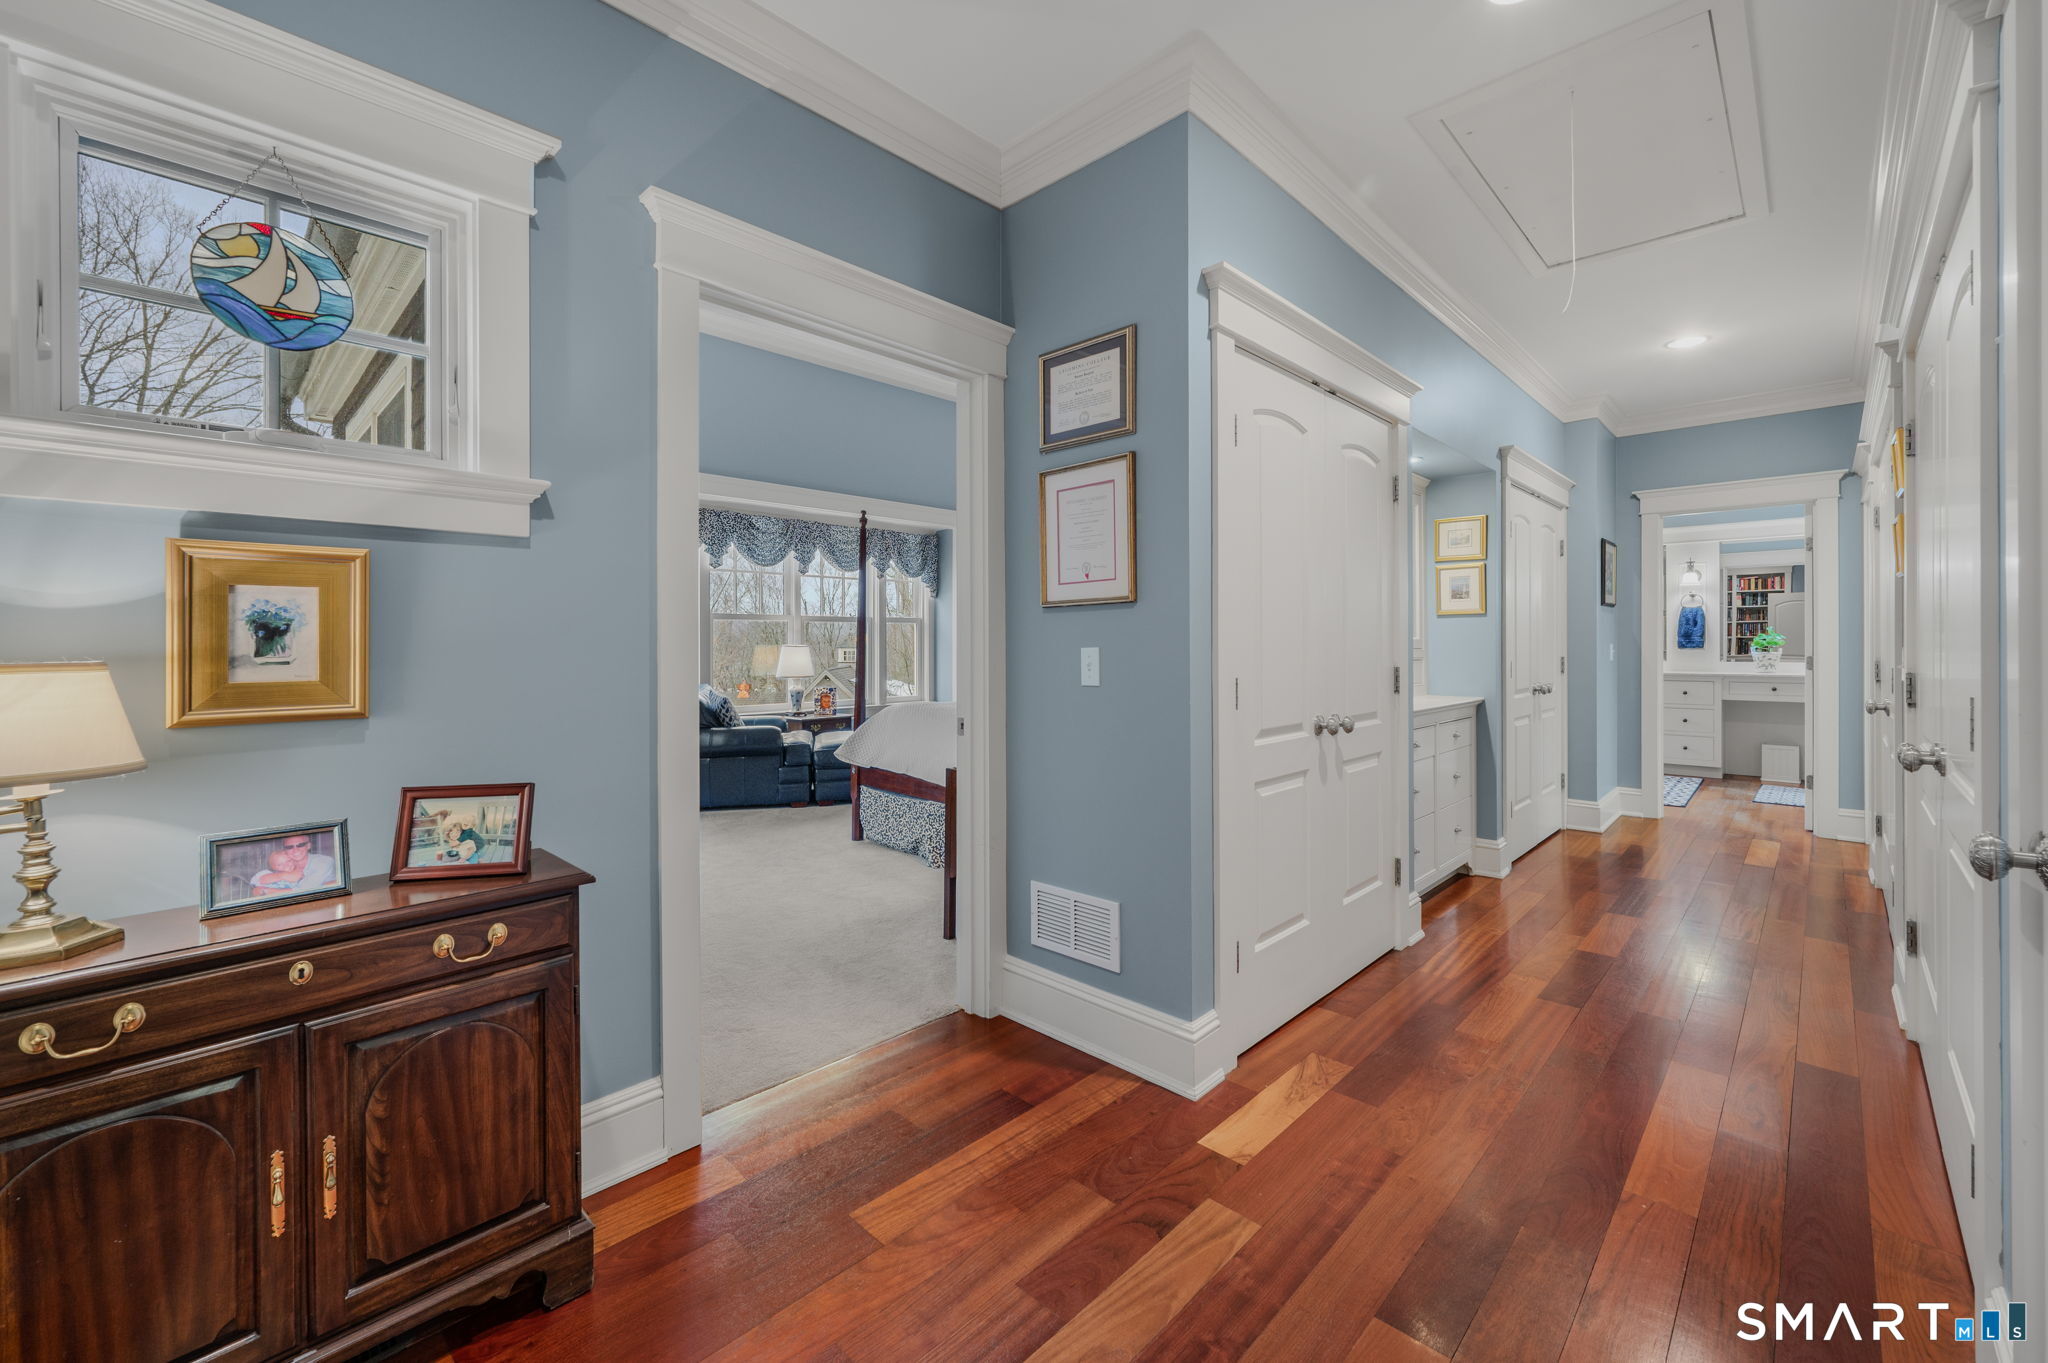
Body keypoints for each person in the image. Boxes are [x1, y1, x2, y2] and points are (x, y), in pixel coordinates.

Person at [248, 833, 338, 893]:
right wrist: (282, 876)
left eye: (300, 845)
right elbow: (256, 883)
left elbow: (302, 891)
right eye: (290, 847)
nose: (295, 850)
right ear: (285, 850)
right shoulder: (286, 864)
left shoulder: (324, 862)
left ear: (308, 846)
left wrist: (267, 891)